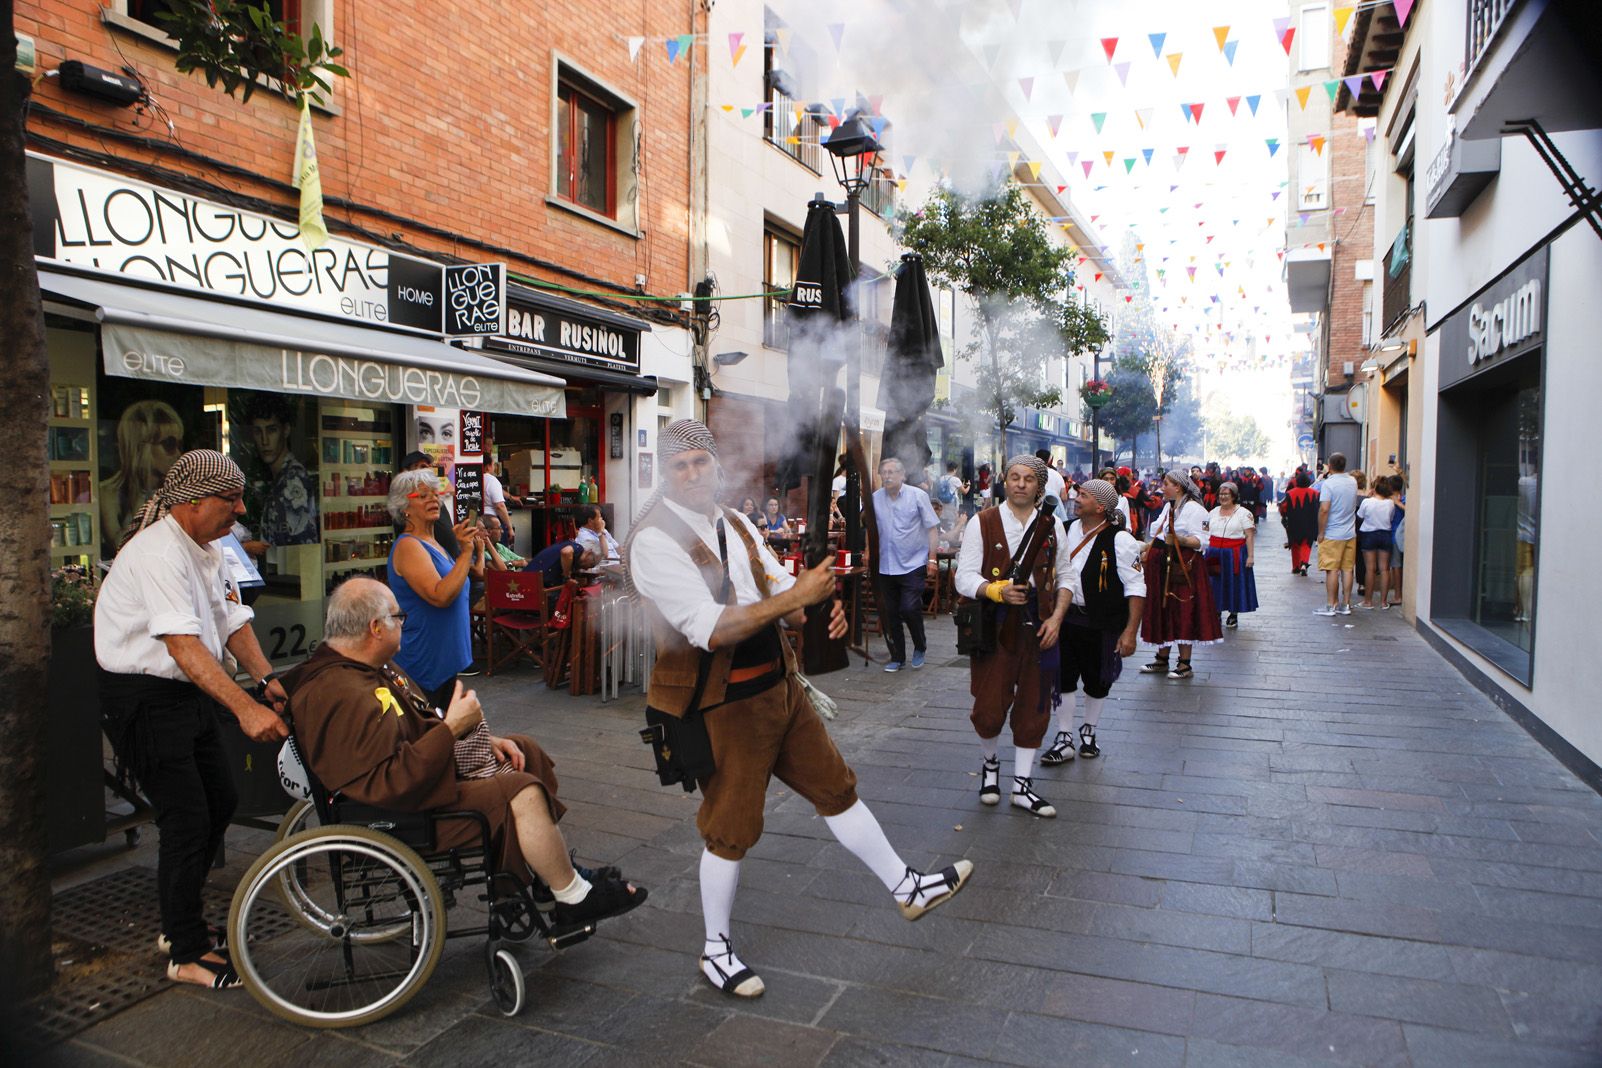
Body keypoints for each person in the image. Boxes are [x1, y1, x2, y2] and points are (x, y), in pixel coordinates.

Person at [625, 421, 973, 998]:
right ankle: (715, 949)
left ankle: (905, 887)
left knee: (837, 789)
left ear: (716, 465)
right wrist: (797, 598)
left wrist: (815, 614)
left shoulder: (735, 522)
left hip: (777, 687)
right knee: (729, 828)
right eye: (678, 466)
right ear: (664, 474)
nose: (690, 475)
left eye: (698, 462)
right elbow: (711, 628)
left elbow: (779, 590)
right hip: (719, 703)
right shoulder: (653, 540)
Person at [285, 578, 645, 928]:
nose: (403, 624)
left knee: (523, 751)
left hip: (417, 783)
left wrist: (482, 739)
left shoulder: (367, 670)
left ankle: (539, 876)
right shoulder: (341, 690)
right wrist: (451, 730)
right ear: (376, 628)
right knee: (520, 791)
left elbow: (415, 725)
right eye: (399, 618)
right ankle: (572, 895)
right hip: (399, 812)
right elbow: (389, 779)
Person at [95, 450, 289, 991]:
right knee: (185, 818)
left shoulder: (212, 545)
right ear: (191, 502)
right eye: (229, 500)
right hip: (144, 694)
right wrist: (244, 708)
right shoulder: (158, 552)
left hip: (188, 689)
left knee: (220, 800)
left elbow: (232, 619)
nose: (240, 509)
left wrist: (267, 681)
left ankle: (178, 915)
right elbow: (182, 644)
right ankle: (184, 952)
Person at [954, 455, 1071, 818]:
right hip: (996, 622)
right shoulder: (983, 522)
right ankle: (991, 767)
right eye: (1014, 478)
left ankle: (1022, 786)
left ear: (1040, 486)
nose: (1020, 484)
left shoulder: (1053, 525)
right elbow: (964, 577)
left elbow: (1066, 576)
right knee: (988, 707)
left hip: (1040, 622)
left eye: (1028, 479)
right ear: (1005, 482)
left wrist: (1056, 618)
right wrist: (996, 591)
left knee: (1034, 705)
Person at [1041, 479, 1144, 766]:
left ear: (1100, 506)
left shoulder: (1121, 539)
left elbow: (1136, 588)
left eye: (1082, 495)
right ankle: (1064, 738)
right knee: (1062, 677)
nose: (1075, 498)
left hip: (1102, 622)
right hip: (1066, 618)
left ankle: (1089, 731)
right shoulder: (1067, 528)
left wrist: (1130, 632)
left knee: (1098, 680)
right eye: (1077, 493)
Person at [387, 468, 489, 711]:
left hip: (442, 659)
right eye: (422, 496)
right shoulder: (408, 546)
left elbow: (456, 580)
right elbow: (440, 595)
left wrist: (460, 547)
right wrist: (465, 552)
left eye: (435, 494)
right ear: (405, 508)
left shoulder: (434, 543)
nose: (433, 499)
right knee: (430, 734)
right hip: (424, 662)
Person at [1139, 469, 1220, 679]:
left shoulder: (1196, 510)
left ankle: (1185, 664)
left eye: (1166, 483)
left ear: (1179, 486)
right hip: (1163, 564)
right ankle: (1162, 659)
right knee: (1163, 609)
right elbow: (1157, 533)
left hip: (1186, 566)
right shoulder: (1168, 507)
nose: (1162, 487)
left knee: (1184, 609)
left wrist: (1180, 540)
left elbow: (1202, 541)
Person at [871, 457, 941, 672]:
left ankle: (920, 645)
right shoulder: (875, 498)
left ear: (902, 475)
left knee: (909, 607)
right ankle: (897, 657)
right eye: (885, 472)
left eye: (892, 472)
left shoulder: (917, 496)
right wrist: (867, 550)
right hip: (885, 564)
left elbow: (931, 528)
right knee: (890, 612)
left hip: (913, 562)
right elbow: (871, 528)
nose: (888, 475)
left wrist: (932, 558)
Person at [101, 399, 185, 551]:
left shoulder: (178, 491)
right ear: (141, 446)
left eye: (179, 445)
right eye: (169, 444)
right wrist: (140, 494)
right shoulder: (109, 492)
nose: (178, 454)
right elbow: (120, 545)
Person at [240, 394, 317, 546]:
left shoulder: (292, 479)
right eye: (258, 431)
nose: (264, 440)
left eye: (271, 430)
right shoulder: (280, 477)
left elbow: (297, 543)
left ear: (286, 430)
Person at [1206, 482, 1259, 629]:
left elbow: (1249, 535)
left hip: (1234, 554)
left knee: (1234, 584)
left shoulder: (1244, 513)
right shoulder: (1212, 512)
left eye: (1226, 494)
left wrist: (1250, 556)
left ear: (1234, 496)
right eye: (1221, 494)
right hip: (1214, 553)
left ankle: (1233, 613)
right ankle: (1216, 611)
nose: (1223, 497)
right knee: (1214, 584)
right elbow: (1204, 531)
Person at [1314, 453, 1360, 617]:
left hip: (1332, 533)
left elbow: (1324, 509)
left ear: (1330, 465)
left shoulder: (1329, 484)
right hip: (1350, 532)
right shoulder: (1352, 481)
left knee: (1331, 569)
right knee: (1348, 569)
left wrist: (1321, 532)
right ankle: (1345, 604)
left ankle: (1331, 604)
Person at [400, 451, 461, 558]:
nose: (432, 499)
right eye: (423, 467)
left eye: (435, 495)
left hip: (448, 558)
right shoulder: (406, 501)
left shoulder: (434, 497)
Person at [1356, 478, 1398, 610]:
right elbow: (1390, 518)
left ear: (1375, 488)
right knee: (1385, 569)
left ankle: (1368, 601)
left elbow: (1360, 515)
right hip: (1385, 534)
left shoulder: (1367, 502)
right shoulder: (1390, 503)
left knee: (1370, 569)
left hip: (1369, 534)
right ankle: (1384, 602)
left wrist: (1369, 497)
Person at [1279, 471, 1319, 575]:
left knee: (1295, 544)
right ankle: (1304, 563)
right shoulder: (1315, 493)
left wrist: (1284, 515)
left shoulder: (1290, 493)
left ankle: (1296, 566)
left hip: (1294, 522)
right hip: (1310, 523)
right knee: (1306, 544)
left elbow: (1283, 507)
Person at [482, 459, 518, 544]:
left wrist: (510, 497)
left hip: (479, 521)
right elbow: (499, 506)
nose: (494, 468)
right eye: (493, 465)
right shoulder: (492, 480)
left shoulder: (475, 479)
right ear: (488, 467)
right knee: (499, 551)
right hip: (492, 522)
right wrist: (509, 528)